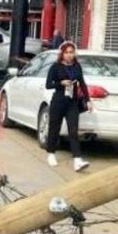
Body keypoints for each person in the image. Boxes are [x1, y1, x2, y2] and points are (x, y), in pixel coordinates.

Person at [44, 42, 91, 172]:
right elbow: (48, 84)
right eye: (67, 52)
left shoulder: (77, 66)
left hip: (72, 102)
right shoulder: (55, 67)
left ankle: (77, 159)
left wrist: (88, 100)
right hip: (59, 100)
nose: (69, 55)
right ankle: (51, 153)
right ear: (62, 54)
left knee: (73, 130)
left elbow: (82, 83)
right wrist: (61, 83)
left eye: (72, 52)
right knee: (54, 128)